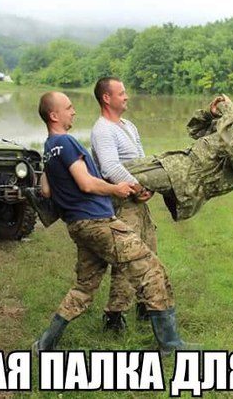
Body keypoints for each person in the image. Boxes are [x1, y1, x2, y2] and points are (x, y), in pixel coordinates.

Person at [33, 91, 189, 356]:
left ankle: (44, 345)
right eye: (69, 108)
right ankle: (171, 346)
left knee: (84, 288)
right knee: (152, 272)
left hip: (78, 226)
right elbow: (86, 183)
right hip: (98, 223)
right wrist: (116, 188)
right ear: (54, 115)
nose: (74, 111)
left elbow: (45, 191)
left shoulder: (48, 148)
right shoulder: (67, 142)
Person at [123, 94, 233, 221]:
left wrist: (228, 111)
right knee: (123, 169)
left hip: (185, 180)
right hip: (175, 164)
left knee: (125, 178)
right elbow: (195, 130)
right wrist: (210, 113)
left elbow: (229, 140)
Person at [90, 77, 156, 331]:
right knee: (127, 256)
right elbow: (110, 167)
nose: (127, 96)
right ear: (107, 98)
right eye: (121, 93)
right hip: (121, 202)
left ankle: (145, 305)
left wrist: (148, 185)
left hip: (139, 202)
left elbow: (141, 160)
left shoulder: (128, 126)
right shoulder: (103, 130)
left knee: (149, 251)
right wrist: (137, 188)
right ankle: (114, 315)